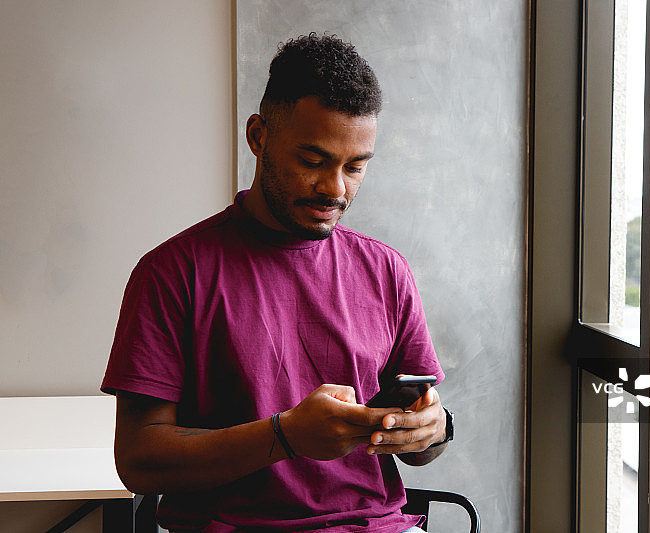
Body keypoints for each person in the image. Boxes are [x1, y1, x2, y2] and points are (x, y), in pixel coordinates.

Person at [101, 33, 453, 533]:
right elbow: (138, 459)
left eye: (354, 167)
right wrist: (284, 438)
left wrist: (432, 430)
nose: (335, 189)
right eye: (312, 161)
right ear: (258, 136)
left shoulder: (386, 270)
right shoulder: (172, 273)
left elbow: (422, 441)